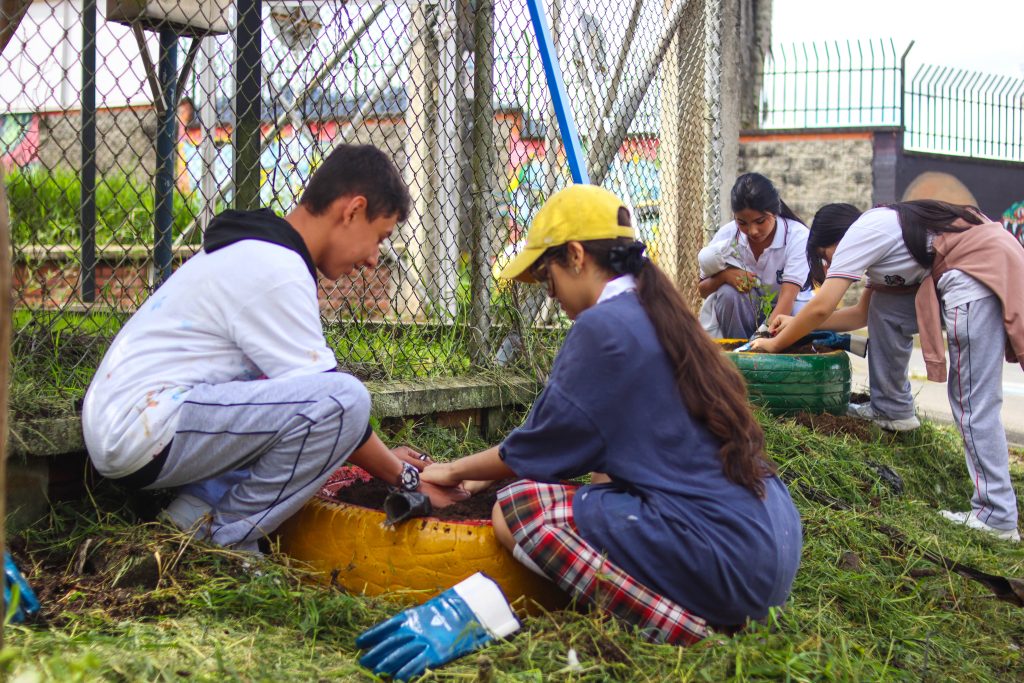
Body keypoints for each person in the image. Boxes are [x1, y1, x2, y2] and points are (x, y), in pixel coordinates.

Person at [420, 184, 803, 643]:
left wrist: (450, 470)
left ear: (577, 256)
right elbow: (581, 447)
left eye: (548, 279)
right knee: (602, 481)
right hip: (769, 544)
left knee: (519, 508)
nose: (552, 296)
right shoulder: (658, 311)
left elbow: (535, 447)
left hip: (723, 556)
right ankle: (704, 607)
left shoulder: (603, 326)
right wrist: (477, 476)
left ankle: (692, 633)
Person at [82, 144, 467, 553]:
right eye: (379, 238)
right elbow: (335, 412)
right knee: (346, 400)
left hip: (140, 424)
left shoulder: (266, 251)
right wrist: (405, 477)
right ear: (353, 210)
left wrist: (384, 457)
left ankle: (191, 517)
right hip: (143, 427)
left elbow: (297, 406)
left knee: (297, 393)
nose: (374, 259)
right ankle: (225, 541)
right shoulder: (275, 268)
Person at [751, 200, 1023, 543]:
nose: (827, 264)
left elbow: (823, 306)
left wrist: (776, 344)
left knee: (972, 399)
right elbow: (862, 315)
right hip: (974, 267)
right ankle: (892, 410)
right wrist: (796, 325)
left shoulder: (862, 233)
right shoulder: (883, 242)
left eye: (824, 255)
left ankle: (997, 514)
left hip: (976, 275)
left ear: (837, 239)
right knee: (885, 308)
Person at [698, 173, 812, 339]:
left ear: (775, 211)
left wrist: (761, 341)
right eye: (742, 223)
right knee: (727, 294)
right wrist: (724, 277)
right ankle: (738, 355)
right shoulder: (728, 235)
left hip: (789, 310)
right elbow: (702, 290)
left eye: (760, 221)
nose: (752, 231)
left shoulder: (797, 236)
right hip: (748, 314)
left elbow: (787, 299)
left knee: (799, 313)